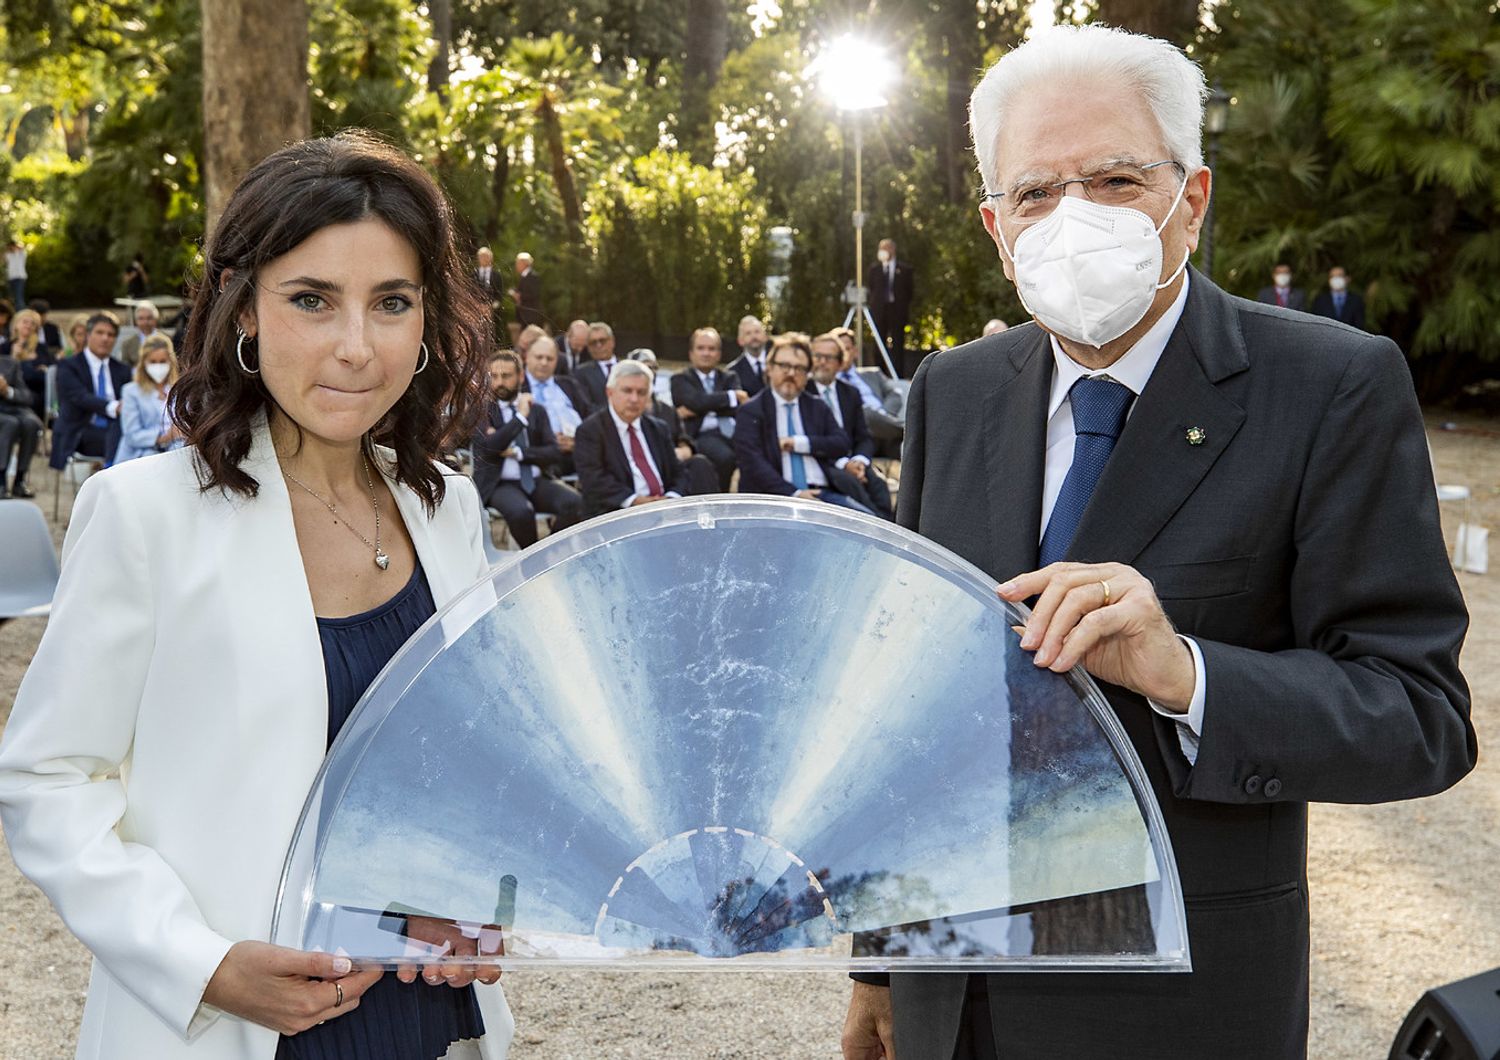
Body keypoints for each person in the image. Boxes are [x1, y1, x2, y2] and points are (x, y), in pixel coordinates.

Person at [841, 25, 1473, 1060]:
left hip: (1179, 1015)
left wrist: (1184, 674)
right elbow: (917, 702)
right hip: (955, 1004)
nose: (1073, 216)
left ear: (1193, 196)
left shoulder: (1329, 388)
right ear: (997, 227)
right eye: (1038, 192)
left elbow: (1420, 716)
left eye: (1116, 178)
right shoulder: (954, 393)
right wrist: (881, 966)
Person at [0, 131, 515, 1060]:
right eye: (312, 300)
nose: (356, 347)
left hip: (425, 1018)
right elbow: (46, 780)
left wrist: (478, 894)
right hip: (233, 1025)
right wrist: (202, 964)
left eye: (391, 303)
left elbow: (476, 764)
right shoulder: (144, 516)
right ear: (244, 309)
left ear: (427, 322)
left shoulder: (448, 509)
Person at [733, 333, 872, 514]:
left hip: (823, 495)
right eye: (784, 366)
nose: (791, 373)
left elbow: (841, 443)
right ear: (769, 368)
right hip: (774, 499)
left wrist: (799, 443)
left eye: (799, 368)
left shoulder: (817, 406)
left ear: (808, 375)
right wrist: (794, 494)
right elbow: (752, 463)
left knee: (870, 526)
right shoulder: (751, 410)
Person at [573, 359, 714, 516]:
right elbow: (594, 479)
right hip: (617, 514)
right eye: (627, 391)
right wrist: (635, 501)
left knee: (700, 465)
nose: (634, 399)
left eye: (641, 392)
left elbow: (678, 472)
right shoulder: (591, 430)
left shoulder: (658, 428)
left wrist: (671, 498)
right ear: (610, 392)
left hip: (665, 509)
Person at [471, 349, 582, 549]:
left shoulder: (537, 410)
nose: (499, 383)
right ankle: (532, 559)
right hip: (500, 485)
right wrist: (520, 418)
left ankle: (547, 552)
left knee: (576, 503)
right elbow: (489, 448)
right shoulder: (482, 410)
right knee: (522, 512)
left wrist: (519, 453)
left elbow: (553, 453)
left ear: (521, 377)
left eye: (506, 376)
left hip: (536, 481)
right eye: (493, 376)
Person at [807, 332, 893, 519]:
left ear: (839, 363)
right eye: (817, 356)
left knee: (879, 485)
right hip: (824, 463)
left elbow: (864, 436)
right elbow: (812, 439)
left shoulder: (850, 393)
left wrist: (859, 461)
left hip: (854, 460)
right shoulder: (805, 393)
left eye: (828, 358)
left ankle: (890, 531)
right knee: (853, 487)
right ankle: (877, 528)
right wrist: (845, 465)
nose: (821, 362)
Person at [50, 311, 131, 468]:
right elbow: (80, 397)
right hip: (80, 430)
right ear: (88, 335)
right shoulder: (68, 365)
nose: (105, 338)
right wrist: (115, 407)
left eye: (111, 334)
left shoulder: (122, 370)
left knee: (133, 435)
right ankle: (111, 473)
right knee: (123, 437)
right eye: (99, 333)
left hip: (115, 428)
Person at [669, 327, 745, 491]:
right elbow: (693, 401)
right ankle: (720, 501)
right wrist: (729, 397)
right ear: (691, 353)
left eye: (712, 349)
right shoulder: (680, 379)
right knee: (725, 458)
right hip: (699, 435)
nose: (706, 353)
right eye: (701, 348)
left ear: (719, 354)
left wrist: (703, 405)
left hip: (732, 434)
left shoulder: (730, 377)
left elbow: (737, 408)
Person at [113, 333, 186, 463]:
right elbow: (132, 435)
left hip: (176, 450)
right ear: (144, 363)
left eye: (163, 361)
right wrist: (165, 437)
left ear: (171, 362)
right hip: (140, 455)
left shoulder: (180, 390)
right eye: (153, 362)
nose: (158, 366)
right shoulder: (131, 391)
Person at [830, 326, 904, 446]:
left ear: (855, 352)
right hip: (855, 435)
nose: (842, 355)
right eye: (838, 350)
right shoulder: (828, 381)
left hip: (886, 434)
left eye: (846, 349)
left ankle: (903, 432)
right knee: (863, 411)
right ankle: (907, 430)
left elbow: (895, 394)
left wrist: (883, 416)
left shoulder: (873, 373)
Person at [866, 237, 916, 376]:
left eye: (886, 248)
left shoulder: (905, 269)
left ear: (893, 249)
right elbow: (872, 289)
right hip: (880, 311)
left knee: (898, 343)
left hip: (897, 311)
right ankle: (879, 373)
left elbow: (909, 292)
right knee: (879, 343)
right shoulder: (874, 269)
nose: (883, 251)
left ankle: (897, 374)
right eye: (881, 248)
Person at [0, 338, 43, 497]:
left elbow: (27, 396)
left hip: (13, 408)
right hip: (6, 418)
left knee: (31, 423)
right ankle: (1, 480)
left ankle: (20, 480)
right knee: (10, 424)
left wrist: (7, 391)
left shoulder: (10, 363)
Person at [523, 334, 589, 436]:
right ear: (527, 357)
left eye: (549, 359)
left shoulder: (569, 385)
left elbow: (588, 415)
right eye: (539, 357)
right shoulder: (517, 387)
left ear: (557, 360)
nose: (544, 363)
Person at [8, 305, 56, 422]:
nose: (29, 326)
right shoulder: (5, 347)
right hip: (12, 393)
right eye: (25, 322)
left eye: (33, 323)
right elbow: (7, 375)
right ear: (16, 325)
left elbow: (50, 373)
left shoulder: (41, 349)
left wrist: (26, 369)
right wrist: (14, 358)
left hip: (37, 395)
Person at [573, 321, 618, 411]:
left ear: (612, 341)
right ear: (588, 347)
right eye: (593, 342)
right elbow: (585, 407)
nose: (598, 345)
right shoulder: (581, 373)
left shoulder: (627, 367)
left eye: (602, 340)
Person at [1310, 265, 1366, 330]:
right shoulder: (1320, 300)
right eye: (1332, 276)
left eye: (1339, 276)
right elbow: (1315, 324)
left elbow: (1359, 325)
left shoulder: (1356, 300)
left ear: (1347, 279)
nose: (1336, 279)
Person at [725, 315, 770, 395]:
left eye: (757, 332)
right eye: (748, 333)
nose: (754, 336)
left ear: (765, 337)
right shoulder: (732, 372)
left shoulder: (778, 363)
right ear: (740, 341)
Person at [117, 301, 163, 365]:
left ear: (155, 319)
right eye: (141, 319)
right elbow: (125, 370)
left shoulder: (169, 339)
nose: (145, 322)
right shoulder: (127, 344)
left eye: (149, 318)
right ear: (136, 321)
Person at [507, 251, 544, 329]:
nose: (516, 265)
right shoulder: (524, 276)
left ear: (524, 263)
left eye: (517, 263)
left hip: (531, 316)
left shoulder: (533, 276)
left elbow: (534, 294)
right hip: (525, 316)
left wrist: (518, 296)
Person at [6, 238, 27, 306]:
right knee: (13, 297)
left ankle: (21, 313)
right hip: (11, 278)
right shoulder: (9, 255)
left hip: (19, 277)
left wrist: (15, 246)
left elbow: (23, 247)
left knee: (18, 297)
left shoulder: (21, 254)